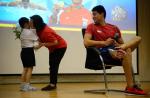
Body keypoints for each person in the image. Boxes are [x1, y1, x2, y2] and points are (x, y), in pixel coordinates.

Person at [83, 5, 147, 95]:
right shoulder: (91, 26)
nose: (93, 17)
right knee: (126, 51)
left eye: (95, 14)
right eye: (92, 15)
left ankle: (120, 50)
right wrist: (104, 43)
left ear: (102, 14)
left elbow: (123, 43)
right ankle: (131, 87)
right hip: (103, 52)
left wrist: (119, 45)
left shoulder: (114, 28)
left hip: (117, 50)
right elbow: (86, 42)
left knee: (138, 38)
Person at [30, 15, 67, 91]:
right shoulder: (38, 29)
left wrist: (42, 44)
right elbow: (41, 40)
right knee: (52, 65)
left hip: (60, 47)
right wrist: (37, 46)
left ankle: (52, 85)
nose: (29, 23)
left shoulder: (46, 31)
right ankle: (53, 84)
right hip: (53, 48)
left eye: (31, 21)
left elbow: (55, 42)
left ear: (36, 23)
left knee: (53, 66)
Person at [19, 17, 39, 91]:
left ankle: (23, 86)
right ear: (25, 24)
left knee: (25, 69)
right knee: (30, 69)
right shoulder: (29, 32)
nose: (30, 23)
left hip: (23, 52)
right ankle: (27, 86)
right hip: (28, 52)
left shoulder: (23, 32)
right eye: (29, 22)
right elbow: (38, 39)